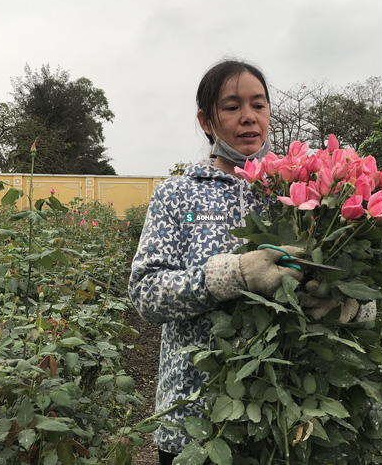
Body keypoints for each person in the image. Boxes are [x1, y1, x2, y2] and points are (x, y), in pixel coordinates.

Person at [128, 59, 304, 463]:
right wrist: (235, 274)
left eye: (258, 105)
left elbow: (330, 277)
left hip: (282, 416)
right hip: (195, 419)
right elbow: (147, 293)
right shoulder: (179, 195)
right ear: (207, 121)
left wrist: (348, 303)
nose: (249, 118)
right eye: (232, 107)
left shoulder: (294, 196)